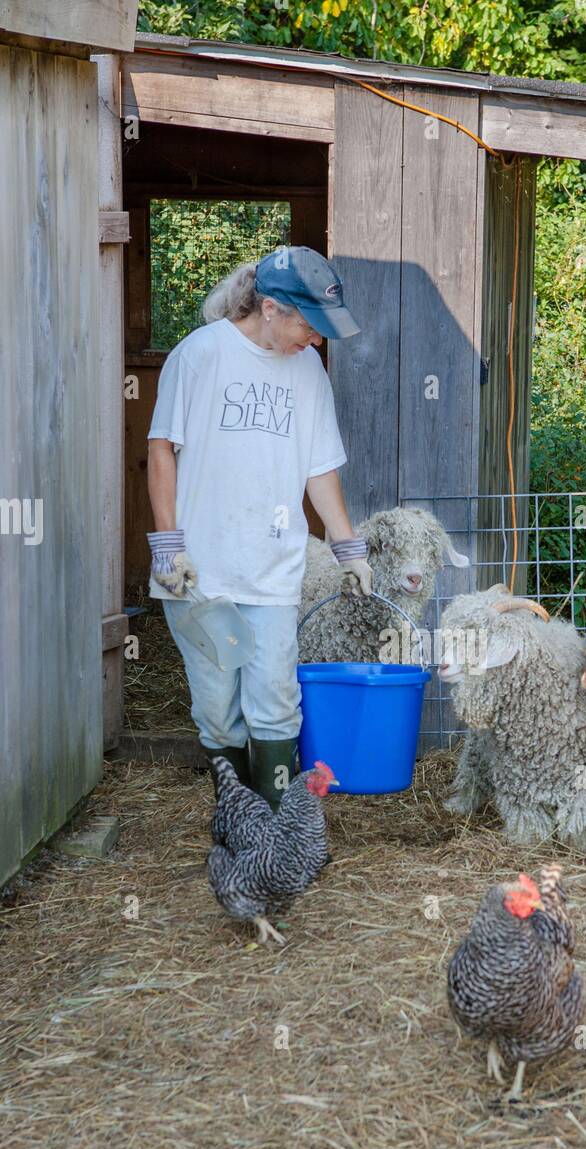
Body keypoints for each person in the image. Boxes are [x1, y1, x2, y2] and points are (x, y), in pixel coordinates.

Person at [146, 245, 372, 808]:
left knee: (274, 696)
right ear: (270, 308)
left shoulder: (308, 371)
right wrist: (168, 547)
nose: (316, 339)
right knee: (219, 707)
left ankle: (274, 825)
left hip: (272, 569)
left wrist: (349, 550)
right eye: (309, 325)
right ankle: (235, 816)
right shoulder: (201, 355)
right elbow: (161, 448)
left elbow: (320, 469)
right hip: (202, 571)